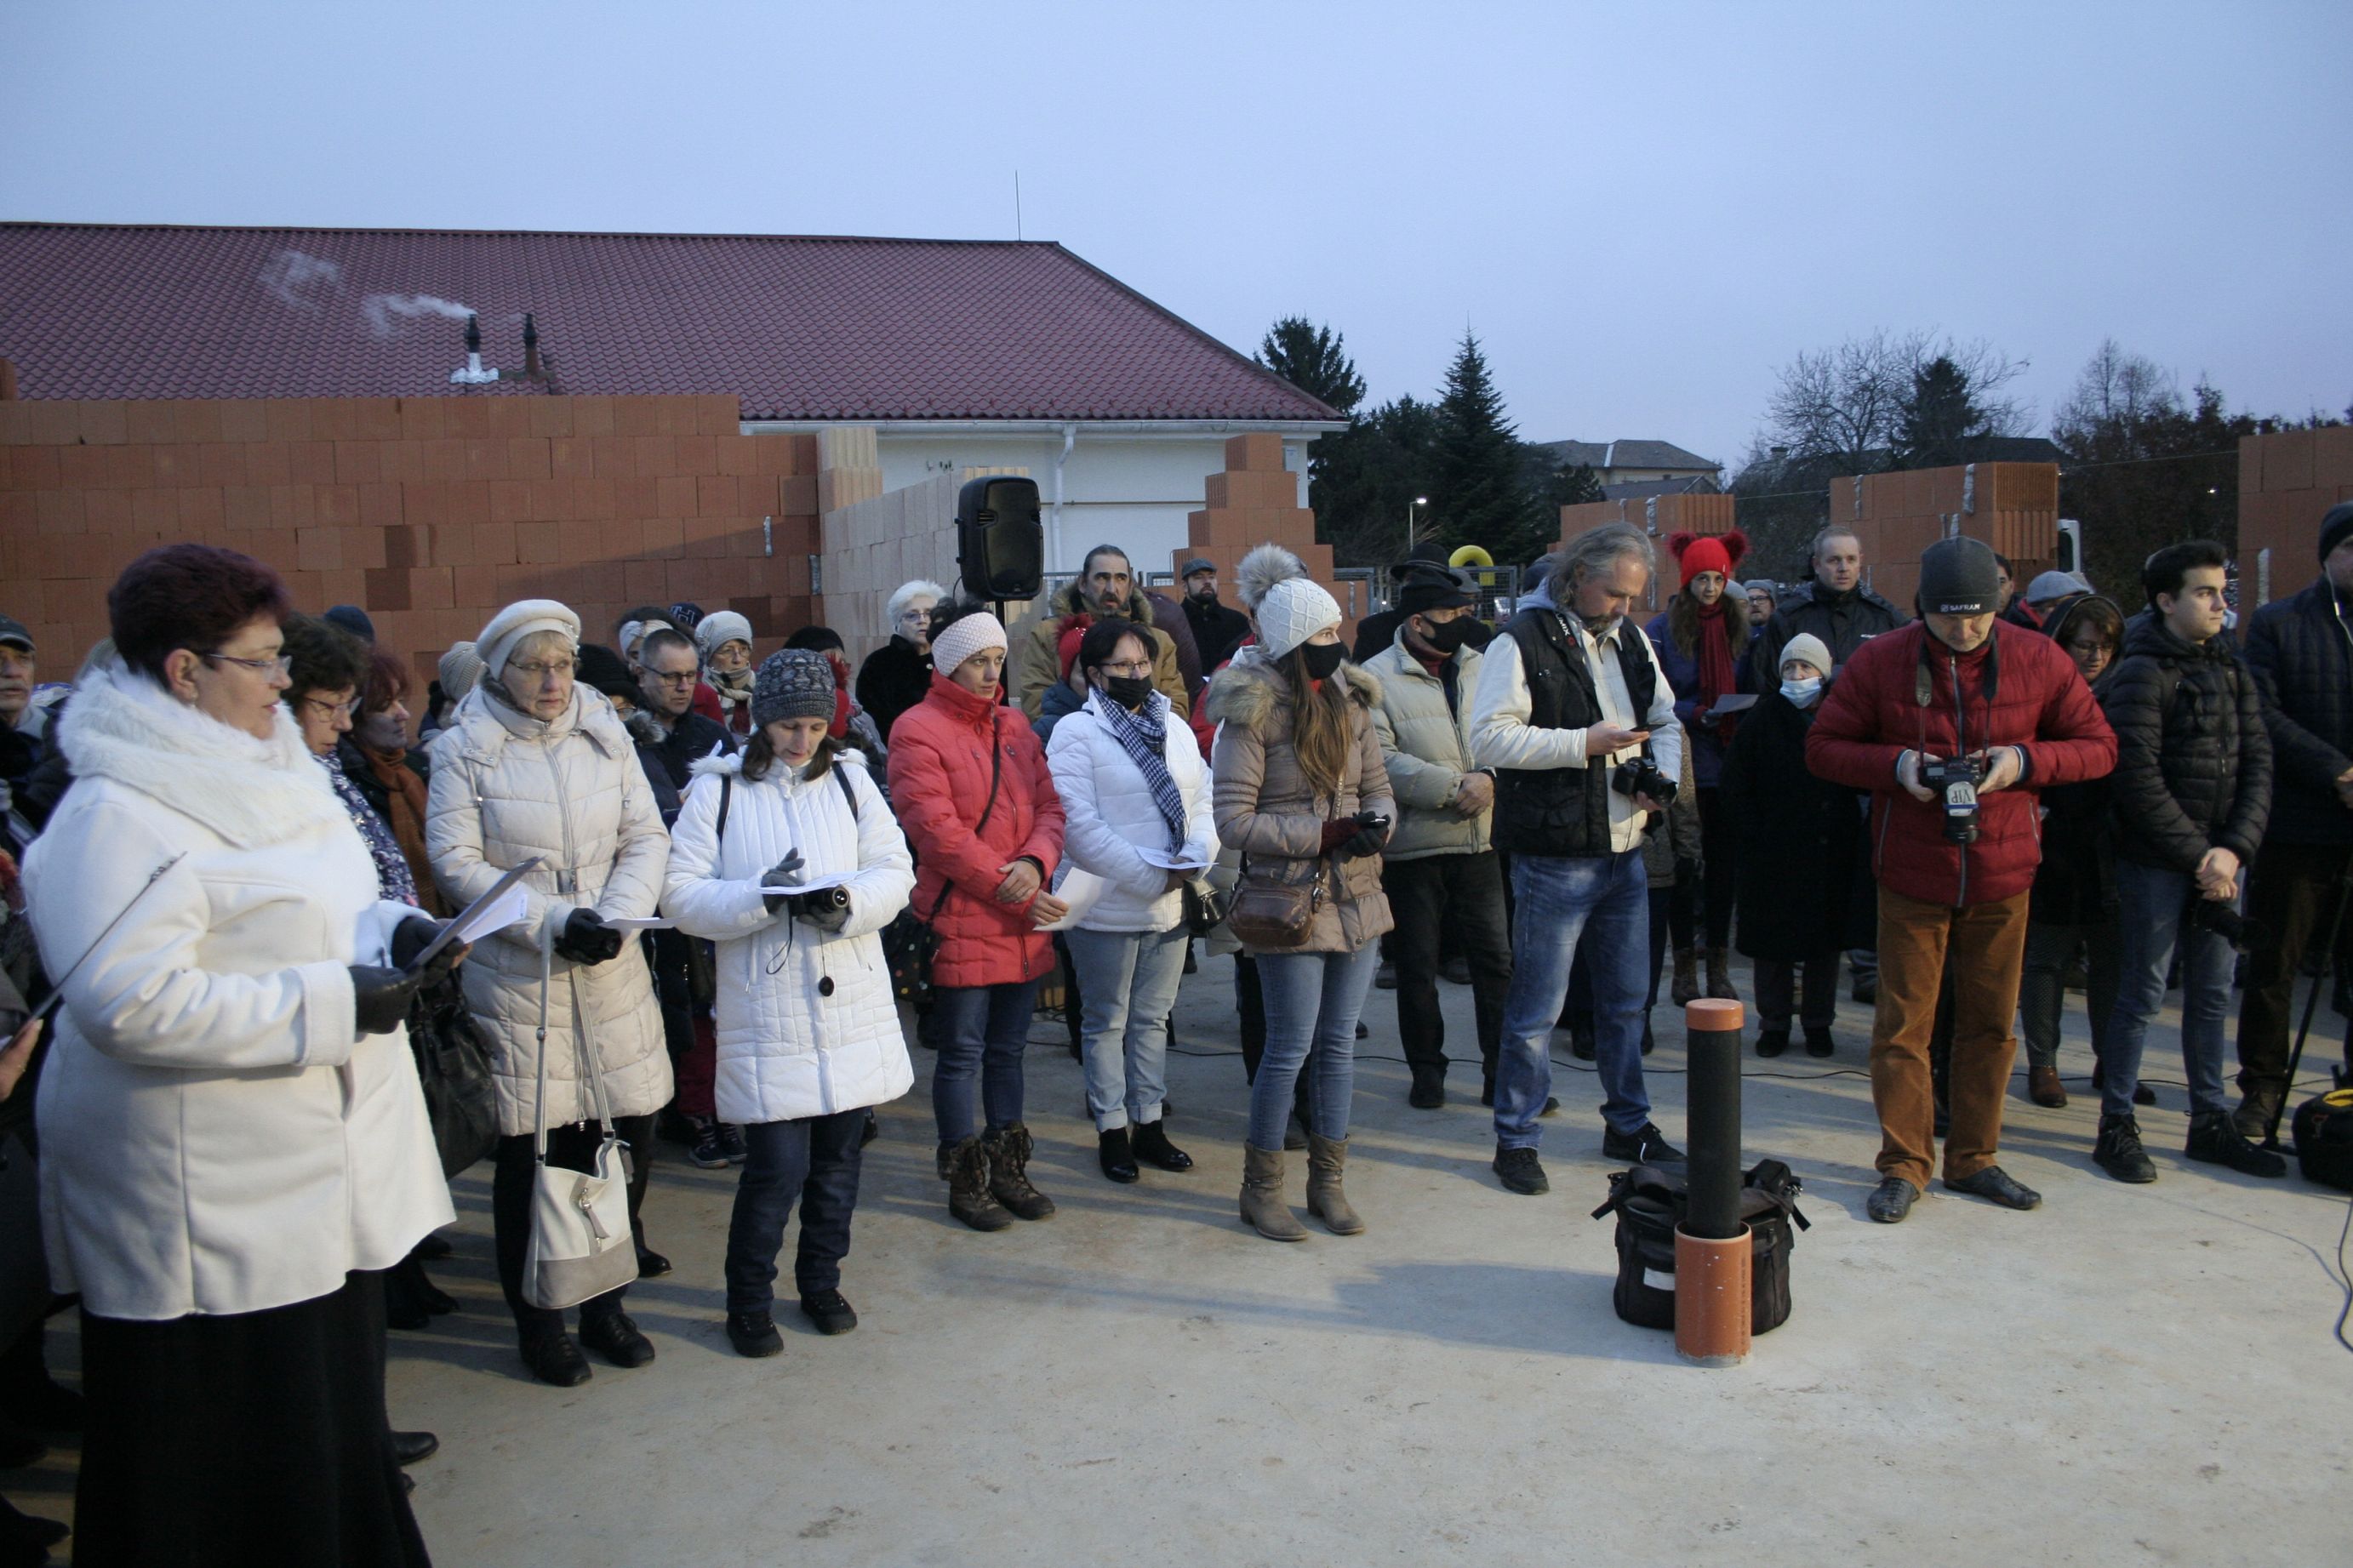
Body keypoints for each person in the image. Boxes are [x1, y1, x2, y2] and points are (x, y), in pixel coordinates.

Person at [26, 543, 454, 1565]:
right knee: (229, 1463)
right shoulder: (116, 811)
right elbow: (130, 1001)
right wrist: (331, 1000)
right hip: (211, 1203)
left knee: (326, 1428)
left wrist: (394, 931)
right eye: (261, 662)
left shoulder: (274, 766)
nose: (280, 682)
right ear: (185, 670)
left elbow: (324, 905)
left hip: (318, 1182)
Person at [1807, 536, 2116, 1223]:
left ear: (1998, 602)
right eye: (1948, 617)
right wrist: (1898, 768)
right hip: (1910, 871)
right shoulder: (1880, 659)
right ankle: (1903, 1163)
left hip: (2003, 872)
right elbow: (1822, 747)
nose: (1964, 630)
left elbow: (2098, 747)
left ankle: (1974, 1157)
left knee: (1989, 1025)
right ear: (1922, 607)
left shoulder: (2038, 657)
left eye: (1977, 616)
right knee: (1902, 1027)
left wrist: (2020, 762)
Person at [425, 600, 673, 1386]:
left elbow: (645, 835)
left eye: (562, 664)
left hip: (611, 972)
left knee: (623, 1143)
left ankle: (606, 1304)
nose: (552, 681)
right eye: (534, 667)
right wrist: (555, 920)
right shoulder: (466, 748)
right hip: (522, 982)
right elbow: (456, 862)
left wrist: (616, 919)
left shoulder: (604, 731)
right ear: (500, 671)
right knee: (536, 1159)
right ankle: (541, 1320)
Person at [663, 650, 915, 1357]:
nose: (801, 740)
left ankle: (820, 1282)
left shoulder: (852, 782)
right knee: (774, 1170)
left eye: (814, 725)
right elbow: (680, 894)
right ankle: (747, 1300)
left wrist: (845, 903)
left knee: (838, 1163)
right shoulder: (717, 792)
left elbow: (894, 870)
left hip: (849, 999)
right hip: (766, 1008)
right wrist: (760, 896)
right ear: (760, 721)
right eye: (787, 727)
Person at [1471, 524, 1686, 1195]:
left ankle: (1629, 1124)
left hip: (1625, 851)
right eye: (1614, 592)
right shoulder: (1518, 639)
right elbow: (1488, 739)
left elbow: (1665, 720)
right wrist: (1580, 743)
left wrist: (1662, 782)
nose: (1625, 606)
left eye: (1634, 596)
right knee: (1536, 1010)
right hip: (1553, 856)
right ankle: (1516, 1137)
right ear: (1575, 576)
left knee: (1626, 1005)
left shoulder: (1631, 639)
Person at [1207, 575, 1393, 1240]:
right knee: (1289, 1046)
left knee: (1338, 1045)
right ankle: (1260, 1189)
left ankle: (1327, 1183)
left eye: (1337, 631)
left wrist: (1376, 827)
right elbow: (1232, 821)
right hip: (1286, 900)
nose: (1335, 643)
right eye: (1322, 633)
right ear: (1290, 640)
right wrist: (1321, 834)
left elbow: (1379, 787)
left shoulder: (1353, 700)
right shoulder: (1250, 710)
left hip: (1357, 894)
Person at [2092, 542, 2279, 1183]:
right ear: (2166, 601)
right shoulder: (2141, 672)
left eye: (2224, 592)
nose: (2220, 604)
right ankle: (2117, 1123)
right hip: (2157, 862)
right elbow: (2136, 778)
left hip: (2223, 862)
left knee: (2211, 995)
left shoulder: (2231, 667)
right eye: (2205, 593)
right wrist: (2201, 855)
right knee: (2142, 993)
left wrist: (2235, 850)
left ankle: (2209, 1120)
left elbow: (2259, 761)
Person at [888, 603, 1067, 1231]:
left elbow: (1050, 806)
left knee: (1009, 1050)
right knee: (962, 1052)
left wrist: (1037, 863)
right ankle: (965, 1177)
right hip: (964, 917)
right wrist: (1014, 886)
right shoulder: (916, 729)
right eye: (977, 662)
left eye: (997, 660)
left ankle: (1008, 1165)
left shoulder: (1015, 725)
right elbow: (937, 834)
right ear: (946, 664)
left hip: (1020, 919)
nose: (992, 674)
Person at [1048, 619, 1215, 1182]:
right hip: (1105, 905)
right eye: (1122, 665)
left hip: (1171, 900)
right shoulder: (1075, 732)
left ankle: (1149, 1122)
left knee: (1153, 1019)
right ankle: (1111, 1128)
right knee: (1105, 1022)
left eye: (1142, 663)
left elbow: (1203, 799)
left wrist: (1196, 857)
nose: (1136, 673)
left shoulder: (1175, 726)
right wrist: (1149, 877)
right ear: (1095, 673)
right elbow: (1078, 826)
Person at [1362, 562, 1511, 1109]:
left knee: (1496, 963)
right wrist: (1454, 789)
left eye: (1465, 611)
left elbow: (1510, 733)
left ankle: (1502, 1074)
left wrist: (1490, 779)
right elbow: (1381, 759)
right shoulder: (1374, 677)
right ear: (1419, 622)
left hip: (1482, 843)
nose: (1463, 622)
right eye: (1451, 614)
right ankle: (1427, 1072)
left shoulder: (1484, 666)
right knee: (1417, 968)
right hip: (1415, 849)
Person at [2232, 501, 2353, 1137]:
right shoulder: (2280, 622)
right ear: (2327, 555)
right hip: (2298, 825)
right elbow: (2262, 713)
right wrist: (2337, 772)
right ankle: (2262, 1087)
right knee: (2274, 964)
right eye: (2351, 548)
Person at [1751, 526, 1910, 1006]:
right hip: (1805, 765)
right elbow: (1768, 684)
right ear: (1816, 565)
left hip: (1866, 761)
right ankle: (1797, 981)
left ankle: (1866, 967)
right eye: (1833, 560)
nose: (1843, 568)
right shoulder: (1791, 617)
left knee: (1865, 870)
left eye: (1851, 560)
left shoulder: (1885, 618)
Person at [1722, 634, 1866, 1056]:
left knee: (1824, 947)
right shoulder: (1762, 719)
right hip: (1772, 852)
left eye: (1805, 667)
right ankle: (1774, 1023)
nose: (1797, 675)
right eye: (1790, 667)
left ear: (1823, 674)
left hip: (1828, 851)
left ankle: (1819, 1023)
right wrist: (1753, 834)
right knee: (1772, 948)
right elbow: (1736, 785)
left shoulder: (1840, 718)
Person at [2017, 593, 2130, 1110]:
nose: (2095, 657)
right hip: (2053, 839)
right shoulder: (2041, 694)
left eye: (2105, 647)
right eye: (2084, 646)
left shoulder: (2126, 692)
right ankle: (2043, 1063)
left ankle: (2114, 1059)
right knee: (2046, 959)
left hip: (2113, 842)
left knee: (2112, 961)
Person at [1645, 530, 1752, 1006]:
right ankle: (1684, 964)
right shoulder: (1664, 630)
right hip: (1686, 760)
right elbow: (1657, 696)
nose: (1710, 588)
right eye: (1702, 578)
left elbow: (1753, 681)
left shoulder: (1738, 627)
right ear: (1687, 580)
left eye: (1718, 579)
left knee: (1723, 870)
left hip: (1728, 764)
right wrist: (1695, 712)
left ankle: (1718, 965)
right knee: (1684, 868)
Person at [1010, 546, 1188, 721]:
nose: (1112, 588)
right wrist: (1092, 730)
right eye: (1102, 578)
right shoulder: (1048, 634)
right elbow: (1036, 705)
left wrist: (1137, 731)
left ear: (1130, 586)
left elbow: (1176, 708)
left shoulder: (1159, 641)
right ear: (1082, 583)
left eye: (1121, 578)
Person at [341, 647, 448, 918]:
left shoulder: (419, 769)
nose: (403, 714)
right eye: (384, 706)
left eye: (400, 701)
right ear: (353, 717)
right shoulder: (347, 786)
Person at [1352, 544, 1498, 664]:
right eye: (1412, 578)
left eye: (1429, 579)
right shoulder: (1373, 629)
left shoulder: (1475, 632)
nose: (1419, 584)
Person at [784, 625, 889, 770]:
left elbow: (883, 764)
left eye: (842, 665)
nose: (838, 673)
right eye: (828, 666)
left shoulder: (862, 718)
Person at [856, 579, 944, 742]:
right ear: (897, 623)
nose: (922, 620)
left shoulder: (950, 658)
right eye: (912, 615)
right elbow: (875, 721)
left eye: (929, 613)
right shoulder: (878, 664)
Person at [1179, 556, 1253, 679]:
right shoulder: (1175, 622)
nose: (1207, 582)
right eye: (1199, 577)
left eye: (1211, 577)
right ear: (1185, 586)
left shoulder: (1237, 621)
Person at [694, 610, 757, 737]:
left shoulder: (766, 690)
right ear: (709, 657)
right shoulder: (696, 695)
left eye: (743, 649)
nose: (737, 659)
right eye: (727, 651)